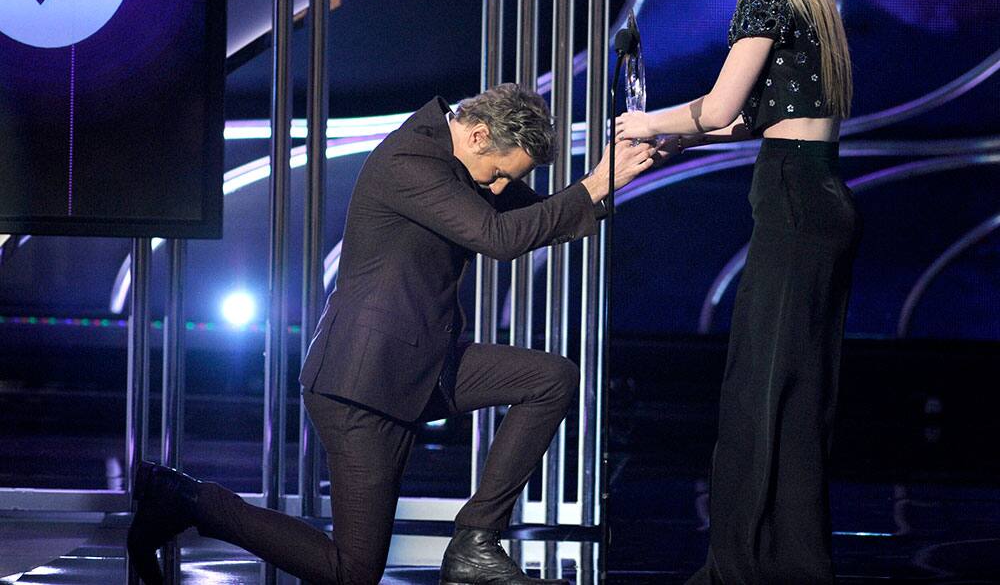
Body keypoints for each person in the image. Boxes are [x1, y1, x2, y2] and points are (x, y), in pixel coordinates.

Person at [128, 83, 655, 585]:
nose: (500, 189)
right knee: (352, 572)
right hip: (363, 386)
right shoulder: (411, 161)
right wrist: (593, 184)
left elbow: (537, 216)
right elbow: (498, 237)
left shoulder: (460, 160)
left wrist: (614, 179)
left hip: (424, 365)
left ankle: (475, 540)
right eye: (498, 174)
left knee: (550, 378)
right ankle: (185, 499)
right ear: (476, 135)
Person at [616, 0, 861, 584]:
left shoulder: (764, 1)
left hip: (791, 200)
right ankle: (794, 564)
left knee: (757, 393)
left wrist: (641, 122)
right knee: (797, 394)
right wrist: (670, 137)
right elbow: (757, 118)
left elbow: (721, 109)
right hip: (821, 195)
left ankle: (740, 568)